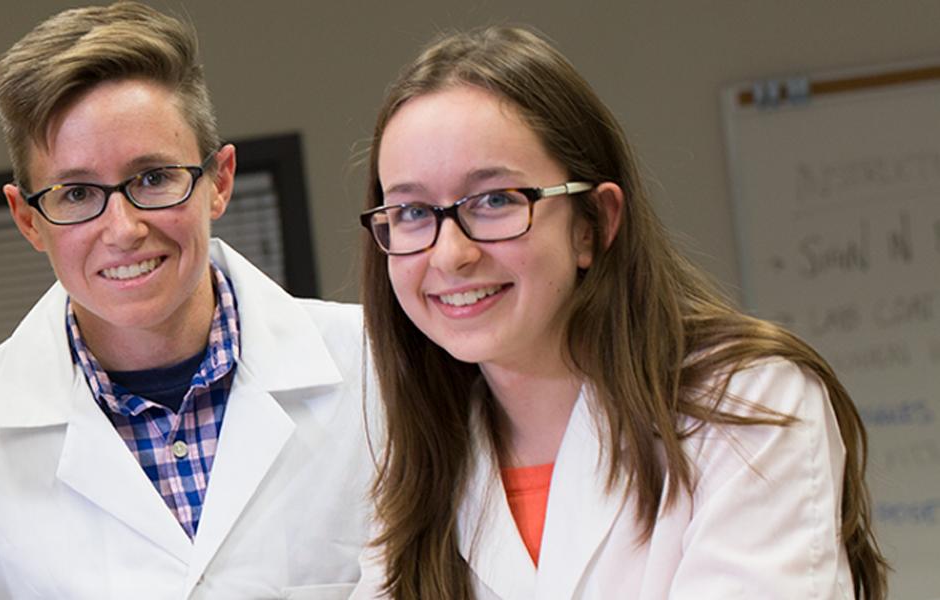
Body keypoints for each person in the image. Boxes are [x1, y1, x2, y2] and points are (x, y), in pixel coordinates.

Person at [350, 25, 888, 599]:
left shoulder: (746, 403)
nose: (451, 253)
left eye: (496, 200)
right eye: (410, 211)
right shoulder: (414, 469)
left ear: (594, 223)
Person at [0, 3, 377, 598]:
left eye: (153, 178)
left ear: (218, 182)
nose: (122, 229)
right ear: (28, 219)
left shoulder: (381, 371)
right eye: (76, 193)